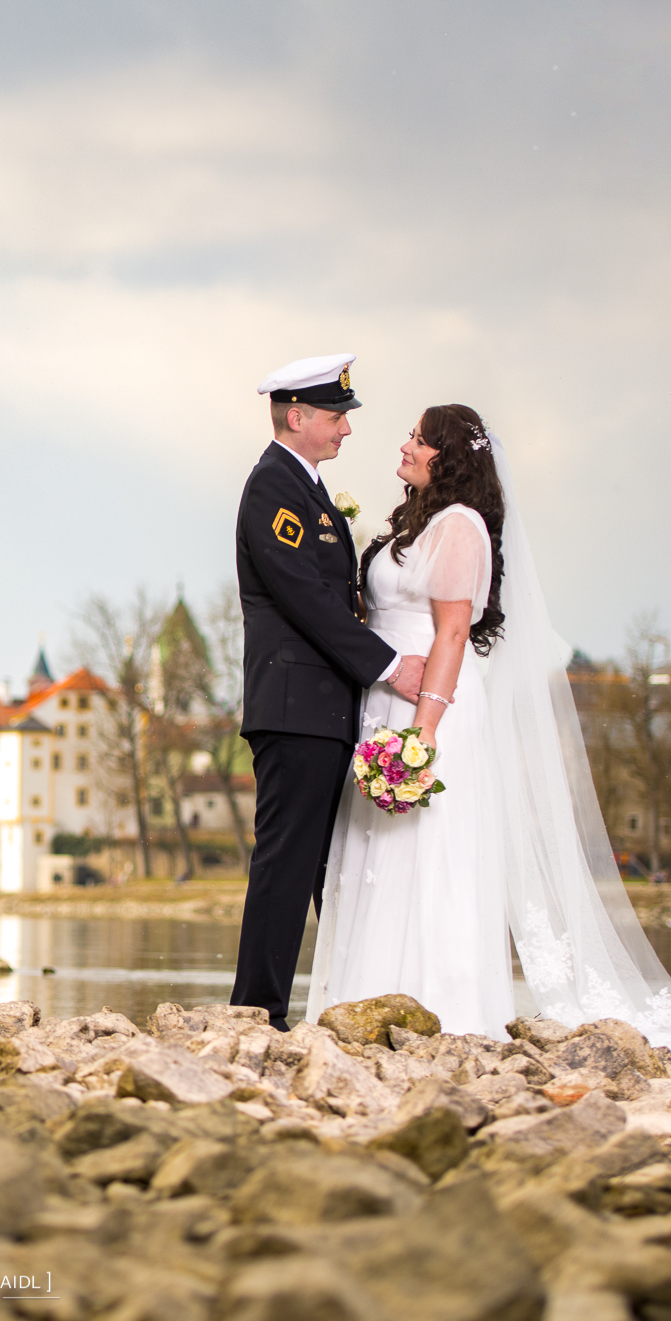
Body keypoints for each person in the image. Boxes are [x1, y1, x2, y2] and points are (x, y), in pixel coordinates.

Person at [305, 403, 671, 1049]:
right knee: (379, 851)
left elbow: (454, 632)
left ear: (450, 457)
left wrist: (424, 729)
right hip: (384, 700)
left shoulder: (459, 526)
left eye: (419, 439)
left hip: (427, 704)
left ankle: (443, 1003)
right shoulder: (419, 521)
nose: (404, 445)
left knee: (424, 850)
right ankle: (363, 1000)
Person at [228, 353, 425, 1031]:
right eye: (337, 416)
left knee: (317, 864)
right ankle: (257, 1012)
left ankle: (318, 1003)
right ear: (297, 415)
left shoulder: (303, 489)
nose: (345, 429)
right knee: (287, 861)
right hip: (295, 708)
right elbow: (308, 600)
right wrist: (390, 666)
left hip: (321, 709)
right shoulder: (271, 489)